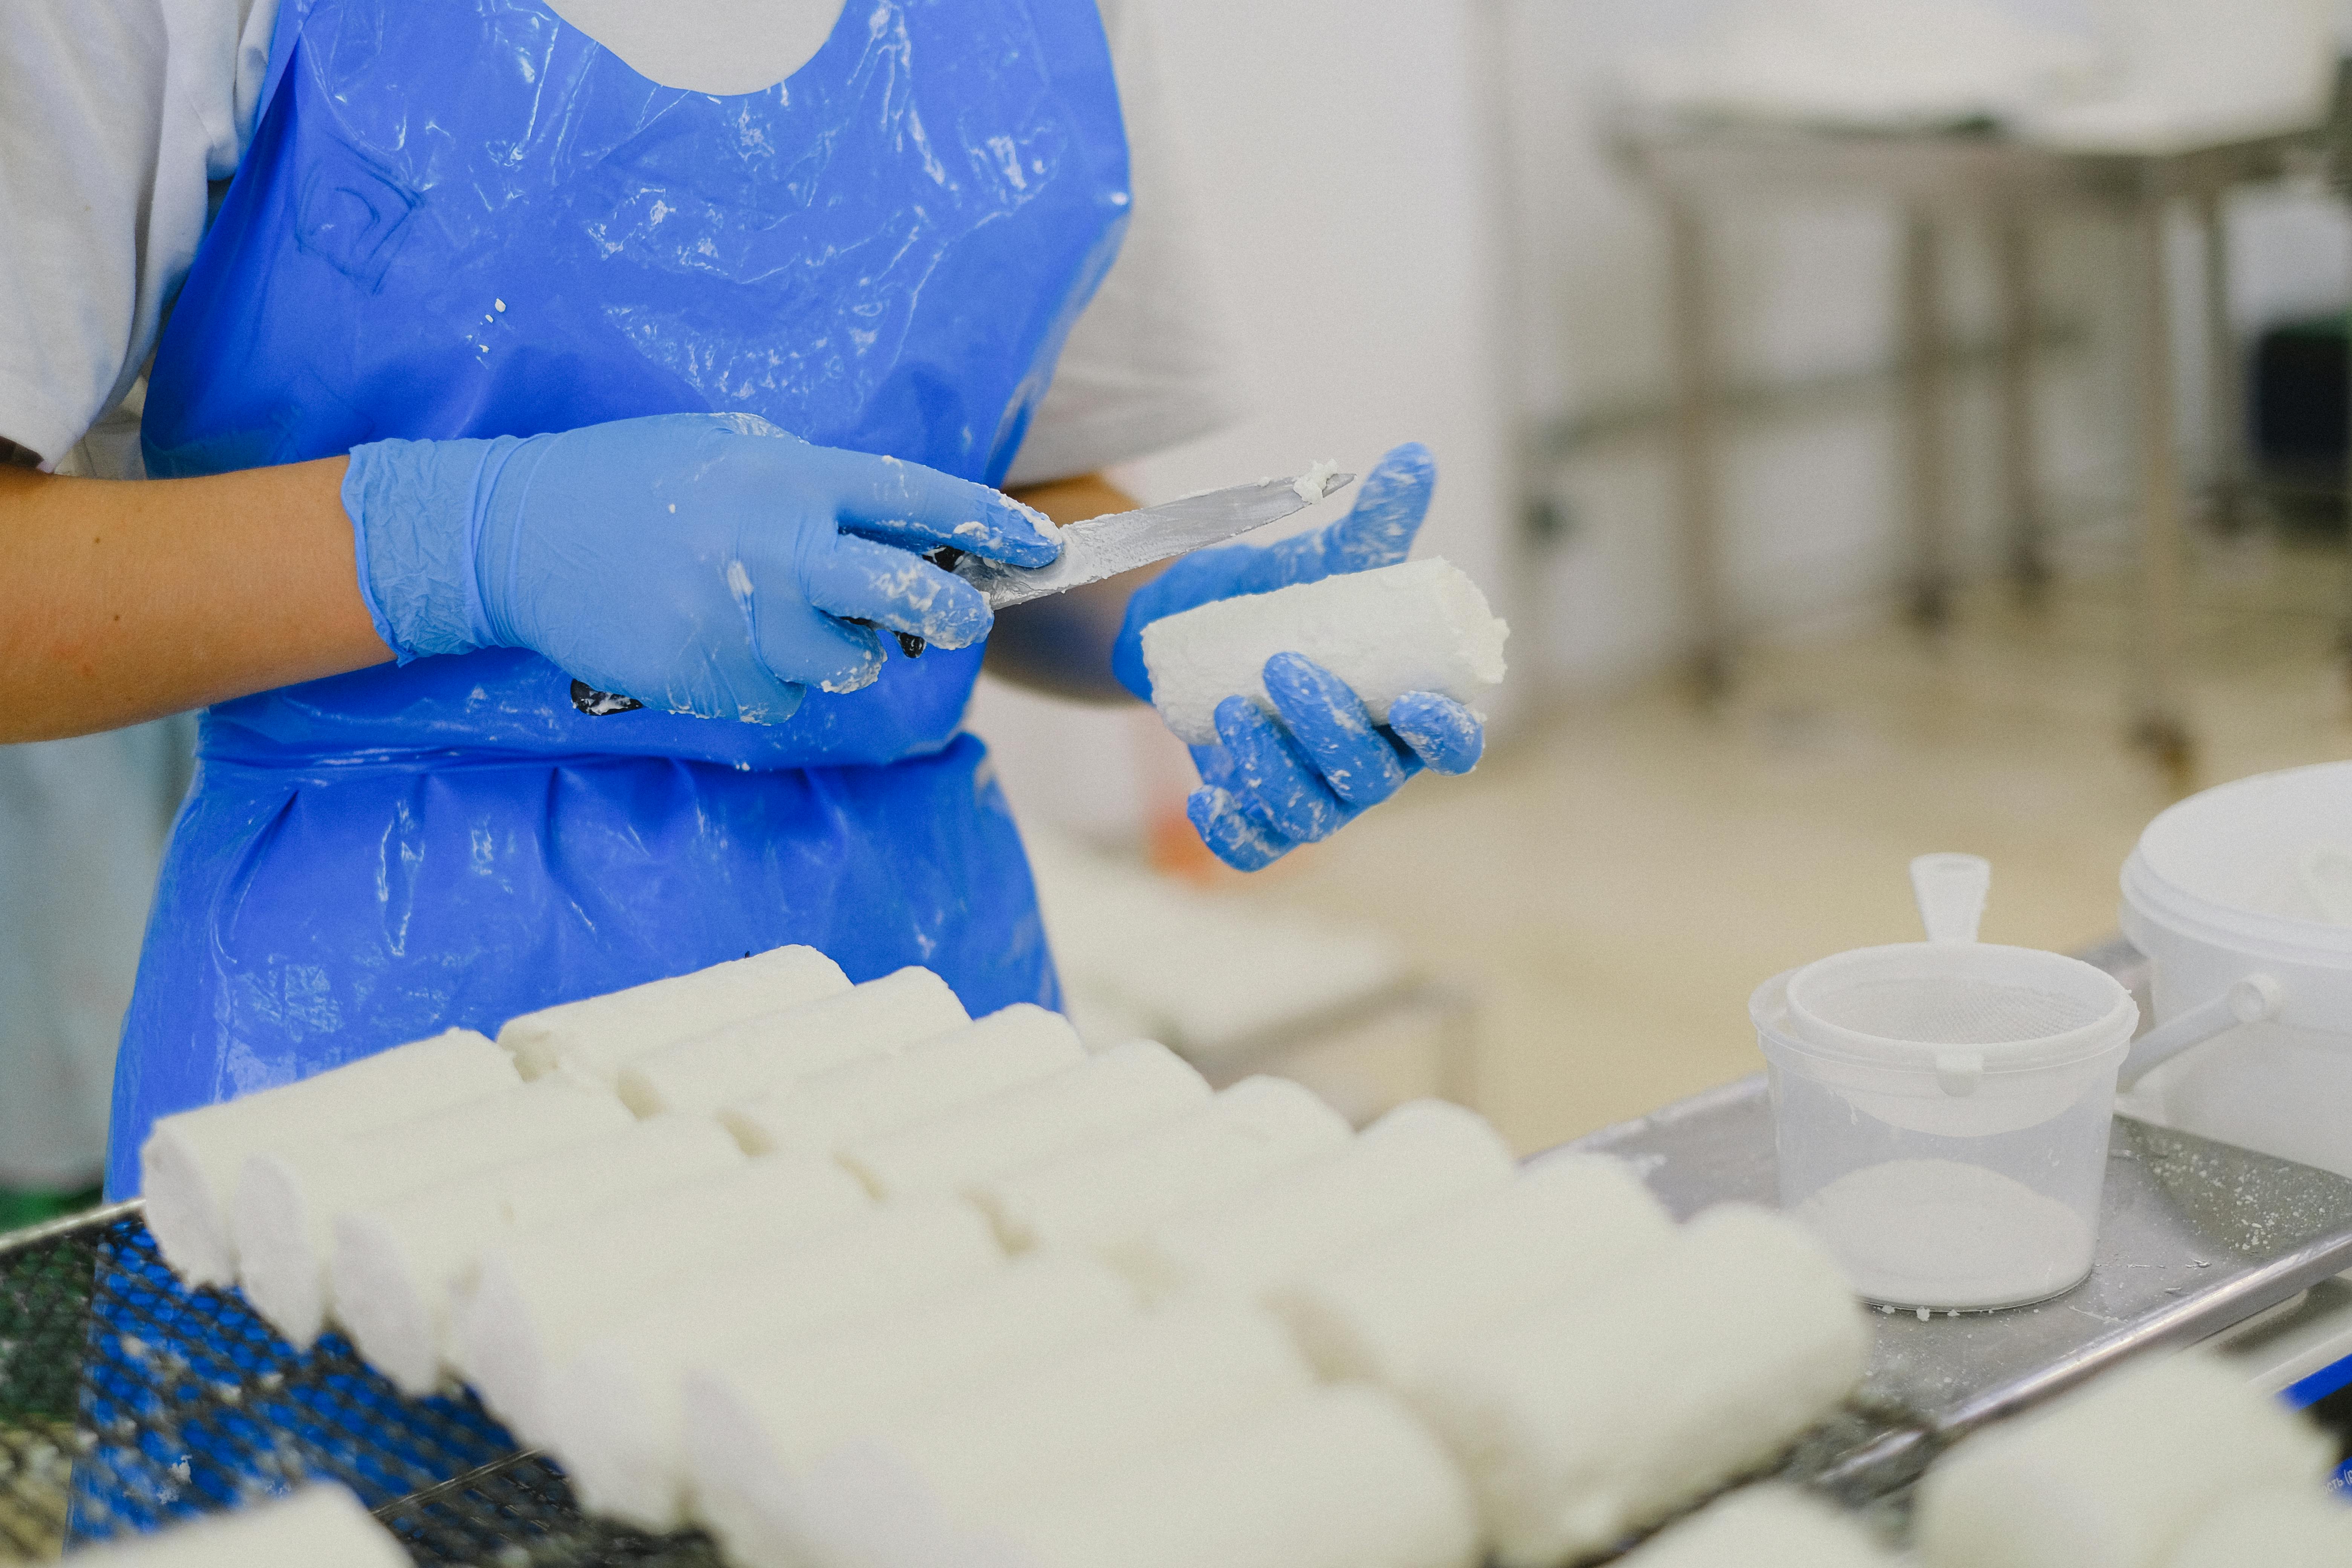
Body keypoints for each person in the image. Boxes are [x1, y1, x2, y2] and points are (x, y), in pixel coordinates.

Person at [1, 0, 1485, 1202]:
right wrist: (472, 540)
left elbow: (1019, 495)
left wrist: (1170, 618)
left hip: (920, 1019)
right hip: (377, 1069)